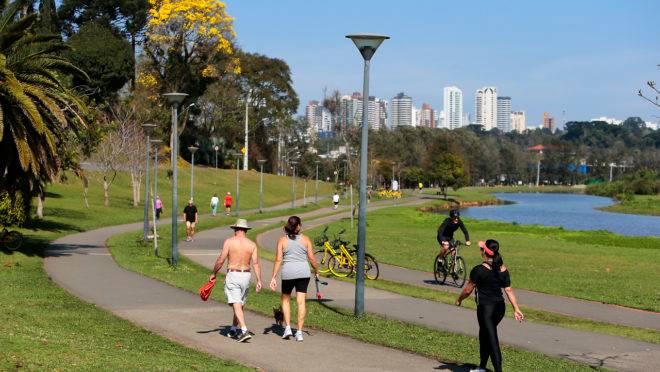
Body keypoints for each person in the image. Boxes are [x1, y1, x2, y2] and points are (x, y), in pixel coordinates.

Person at [456, 240, 524, 372]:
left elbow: (467, 290)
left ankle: (498, 370)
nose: (480, 251)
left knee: (492, 338)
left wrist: (459, 300)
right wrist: (516, 308)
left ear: (485, 253)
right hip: (500, 308)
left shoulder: (478, 270)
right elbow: (508, 290)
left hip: (486, 310)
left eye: (482, 249)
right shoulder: (502, 268)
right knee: (484, 334)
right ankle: (482, 367)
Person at [210, 219, 263, 342]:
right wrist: (259, 280)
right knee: (238, 303)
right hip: (246, 275)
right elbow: (255, 263)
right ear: (245, 230)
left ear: (236, 230)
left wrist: (214, 273)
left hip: (233, 274)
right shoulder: (252, 244)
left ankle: (244, 330)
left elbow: (221, 259)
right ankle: (234, 328)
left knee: (236, 302)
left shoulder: (229, 242)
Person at [269, 216, 319, 342]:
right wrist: (317, 270)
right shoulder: (306, 239)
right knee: (301, 302)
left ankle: (288, 328)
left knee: (285, 300)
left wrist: (273, 277)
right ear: (298, 226)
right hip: (303, 273)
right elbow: (312, 258)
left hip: (288, 273)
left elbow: (278, 260)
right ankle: (300, 332)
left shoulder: (282, 240)